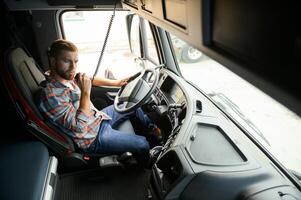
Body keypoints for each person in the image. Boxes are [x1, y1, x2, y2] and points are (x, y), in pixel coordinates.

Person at [38, 39, 159, 165]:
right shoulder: (52, 96)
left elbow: (89, 79)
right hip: (91, 138)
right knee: (142, 143)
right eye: (67, 61)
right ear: (53, 61)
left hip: (97, 119)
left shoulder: (66, 76)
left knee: (131, 105)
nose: (73, 67)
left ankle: (154, 132)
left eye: (75, 61)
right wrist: (85, 92)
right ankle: (149, 166)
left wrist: (116, 83)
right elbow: (79, 127)